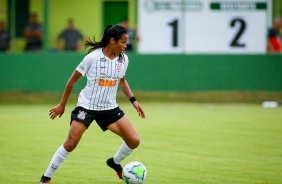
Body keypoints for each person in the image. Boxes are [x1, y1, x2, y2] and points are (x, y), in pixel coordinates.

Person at [39, 24, 145, 184]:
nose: (125, 46)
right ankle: (46, 178)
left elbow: (122, 82)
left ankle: (114, 162)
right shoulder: (92, 58)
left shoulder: (123, 59)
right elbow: (72, 80)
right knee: (71, 142)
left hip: (109, 108)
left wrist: (134, 101)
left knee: (134, 140)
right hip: (87, 107)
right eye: (123, 42)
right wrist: (62, 104)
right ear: (112, 41)